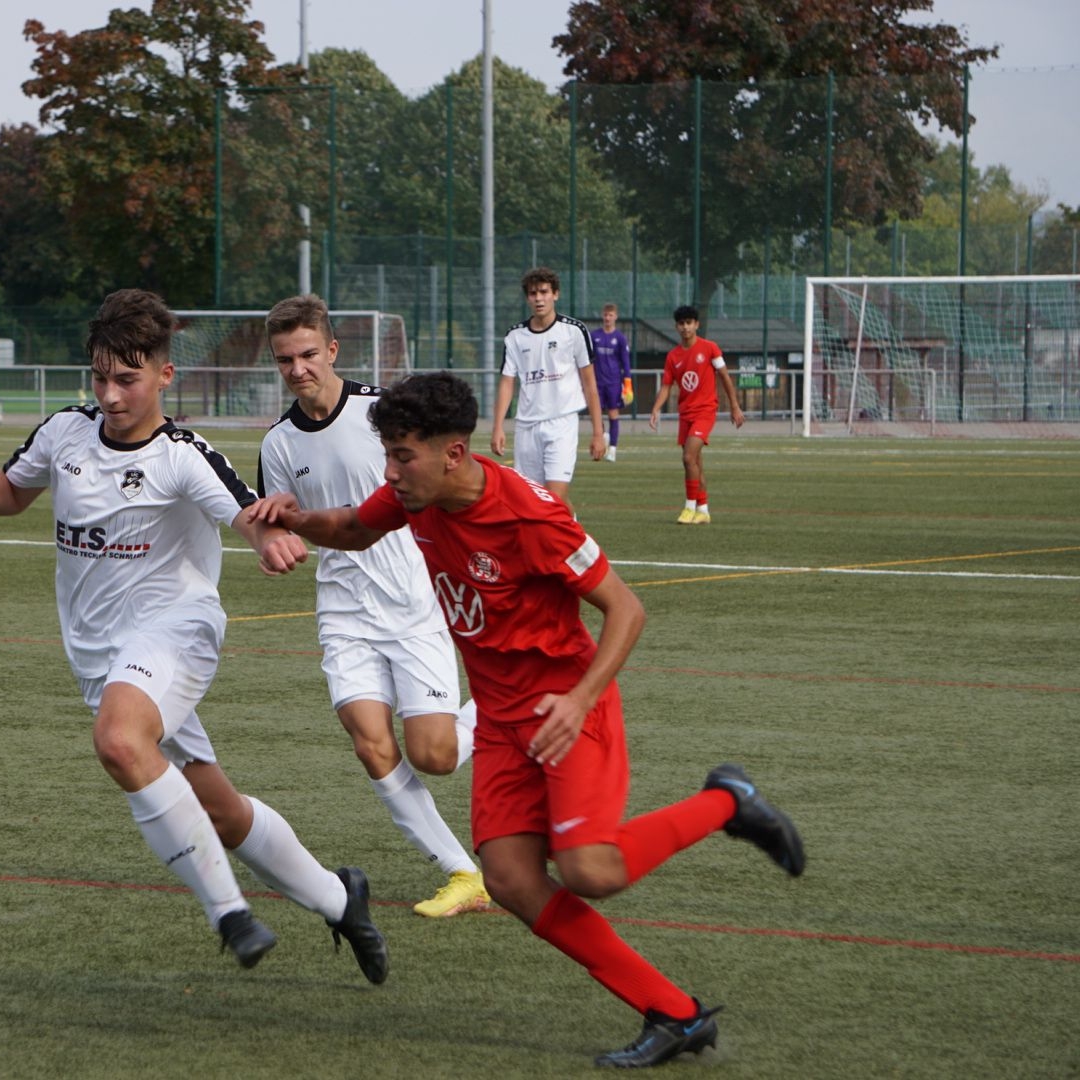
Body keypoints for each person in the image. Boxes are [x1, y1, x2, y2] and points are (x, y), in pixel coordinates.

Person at [251, 371, 804, 1068]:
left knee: (590, 871)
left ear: (454, 452)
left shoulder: (531, 516)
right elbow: (355, 529)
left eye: (402, 456)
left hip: (564, 709)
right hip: (500, 723)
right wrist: (294, 518)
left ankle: (727, 802)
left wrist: (580, 700)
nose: (389, 472)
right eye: (387, 454)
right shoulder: (414, 495)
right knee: (511, 881)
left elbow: (627, 609)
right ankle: (673, 1010)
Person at [0, 288, 389, 982]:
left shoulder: (182, 455)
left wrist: (271, 540)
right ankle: (340, 899)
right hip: (102, 659)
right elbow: (10, 493)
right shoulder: (64, 433)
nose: (111, 395)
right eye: (100, 378)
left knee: (120, 742)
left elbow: (247, 514)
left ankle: (230, 914)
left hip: (177, 631)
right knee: (220, 810)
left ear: (164, 375)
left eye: (128, 379)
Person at [257, 294, 489, 919]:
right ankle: (463, 872)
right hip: (343, 610)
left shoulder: (380, 414)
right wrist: (274, 541)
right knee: (370, 744)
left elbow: (443, 484)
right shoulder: (278, 443)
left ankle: (504, 705)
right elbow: (279, 519)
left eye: (308, 354)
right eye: (284, 360)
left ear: (332, 349)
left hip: (412, 601)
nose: (298, 369)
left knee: (435, 757)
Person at [490, 267, 605, 507]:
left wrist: (598, 433)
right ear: (527, 298)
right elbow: (507, 382)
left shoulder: (574, 331)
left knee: (554, 499)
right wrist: (498, 427)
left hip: (562, 423)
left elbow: (590, 384)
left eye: (544, 292)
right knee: (533, 502)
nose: (539, 298)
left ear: (556, 294)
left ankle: (567, 528)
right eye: (533, 293)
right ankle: (571, 524)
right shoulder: (515, 336)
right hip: (527, 426)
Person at [646, 305, 745, 524]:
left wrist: (735, 406)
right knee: (695, 463)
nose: (685, 327)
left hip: (705, 411)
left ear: (696, 325)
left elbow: (724, 376)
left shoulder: (710, 348)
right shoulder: (673, 356)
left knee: (688, 457)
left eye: (689, 323)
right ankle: (703, 510)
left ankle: (689, 507)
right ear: (676, 327)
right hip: (685, 414)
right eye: (681, 323)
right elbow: (666, 386)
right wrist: (656, 408)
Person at [590, 303, 632, 462]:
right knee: (597, 414)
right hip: (597, 383)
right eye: (606, 315)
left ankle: (613, 448)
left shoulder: (620, 338)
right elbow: (589, 359)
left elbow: (625, 362)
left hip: (614, 383)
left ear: (616, 317)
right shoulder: (594, 336)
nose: (608, 318)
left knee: (613, 413)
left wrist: (627, 384)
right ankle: (602, 437)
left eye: (611, 315)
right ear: (602, 316)